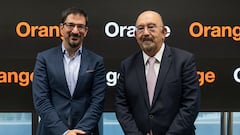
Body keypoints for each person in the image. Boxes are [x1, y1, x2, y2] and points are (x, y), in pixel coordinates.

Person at [115, 10, 200, 135]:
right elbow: (121, 106)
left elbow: (191, 105)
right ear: (135, 34)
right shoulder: (127, 65)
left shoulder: (184, 61)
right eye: (140, 28)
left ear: (164, 32)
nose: (145, 33)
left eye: (151, 27)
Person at [32, 7, 106, 135]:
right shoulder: (44, 58)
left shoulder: (97, 61)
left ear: (86, 31)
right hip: (51, 131)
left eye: (80, 26)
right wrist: (64, 132)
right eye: (70, 25)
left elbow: (98, 102)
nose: (75, 31)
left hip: (85, 132)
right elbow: (41, 100)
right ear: (62, 28)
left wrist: (80, 131)